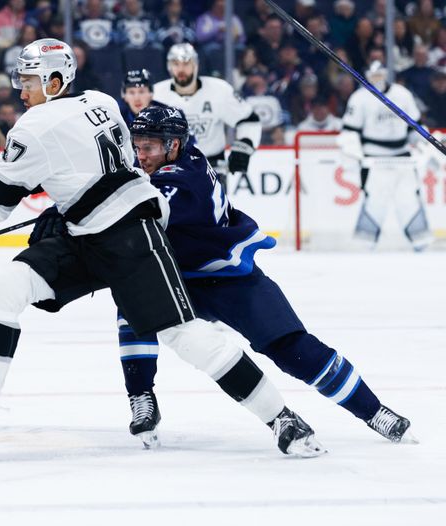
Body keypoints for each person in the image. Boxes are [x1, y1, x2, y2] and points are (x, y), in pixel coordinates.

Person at [0, 38, 324, 463]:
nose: (20, 89)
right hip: (84, 232)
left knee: (184, 334)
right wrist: (64, 205)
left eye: (28, 80)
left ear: (53, 81)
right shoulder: (101, 101)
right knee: (3, 287)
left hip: (130, 236)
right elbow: (99, 170)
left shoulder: (33, 127)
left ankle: (283, 419)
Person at [88, 103, 414, 448]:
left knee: (292, 350)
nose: (141, 155)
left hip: (227, 277)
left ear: (173, 145)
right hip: (180, 279)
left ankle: (374, 410)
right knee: (132, 300)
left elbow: (130, 217)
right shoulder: (180, 158)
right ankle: (141, 397)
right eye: (137, 147)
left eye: (149, 147)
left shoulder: (182, 180)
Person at [338, 61, 433, 251]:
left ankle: (420, 242)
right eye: (373, 76)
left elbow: (414, 127)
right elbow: (349, 132)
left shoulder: (402, 94)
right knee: (374, 202)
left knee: (409, 200)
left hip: (402, 157)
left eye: (380, 75)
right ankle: (365, 244)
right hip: (373, 159)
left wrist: (426, 142)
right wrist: (354, 153)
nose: (377, 80)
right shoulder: (359, 98)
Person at [153, 43, 261, 177]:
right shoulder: (156, 94)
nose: (181, 69)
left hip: (212, 169)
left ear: (196, 65)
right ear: (169, 67)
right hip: (169, 171)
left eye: (186, 63)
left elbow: (249, 120)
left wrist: (244, 146)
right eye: (176, 64)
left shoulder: (219, 90)